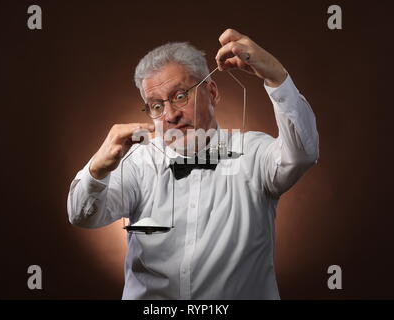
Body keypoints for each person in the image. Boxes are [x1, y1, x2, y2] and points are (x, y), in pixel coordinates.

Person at [67, 29, 319, 299]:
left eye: (179, 96)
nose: (171, 115)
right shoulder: (137, 161)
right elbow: (83, 216)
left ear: (211, 91)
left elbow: (303, 153)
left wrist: (277, 77)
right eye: (156, 106)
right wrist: (98, 170)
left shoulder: (253, 153)